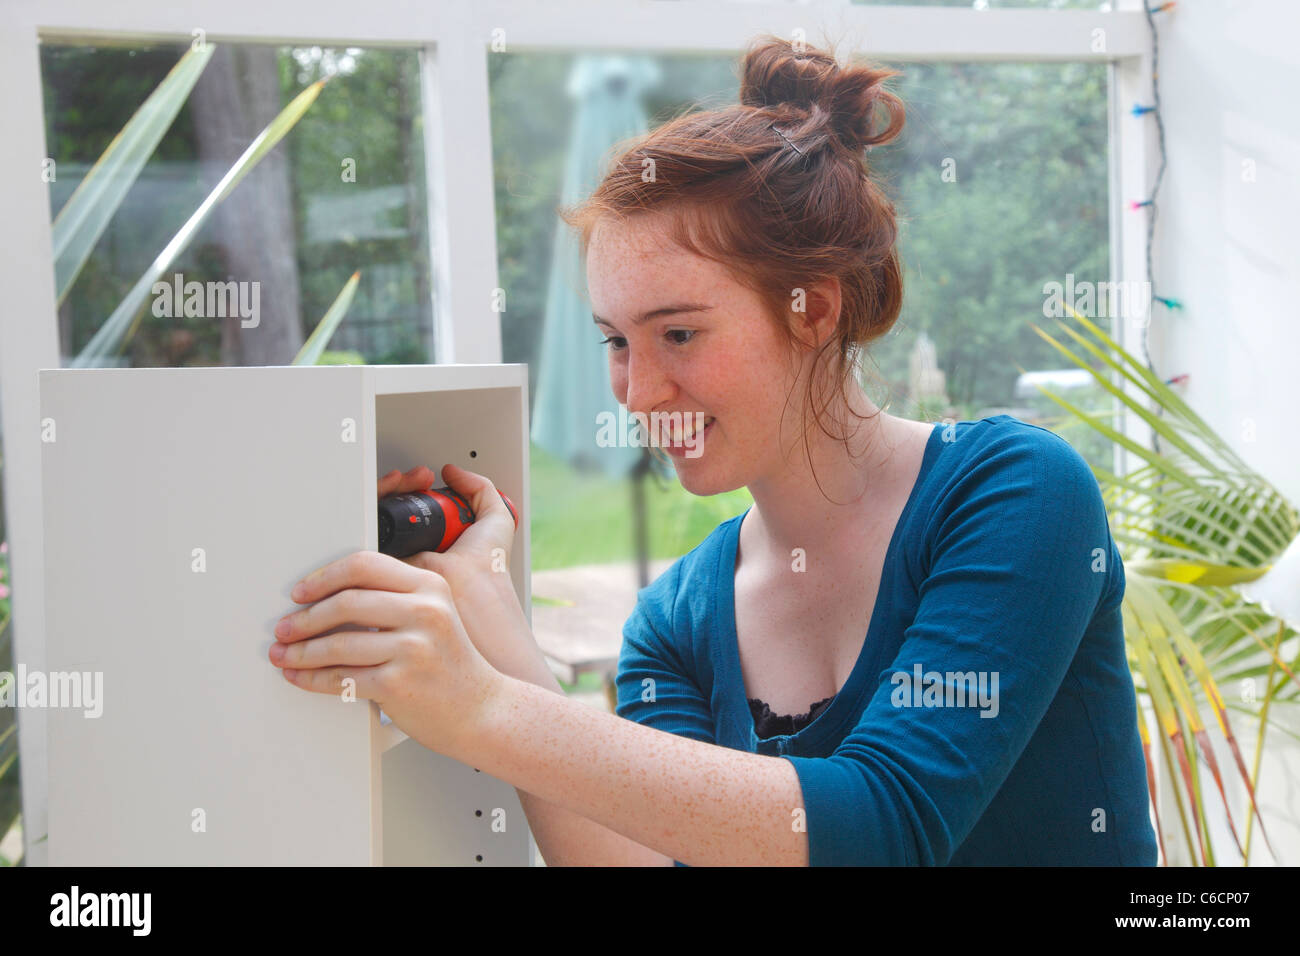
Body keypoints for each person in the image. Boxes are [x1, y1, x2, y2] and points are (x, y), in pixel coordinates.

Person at [268, 34, 1158, 866]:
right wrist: (485, 602)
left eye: (681, 334)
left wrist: (481, 709)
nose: (640, 390)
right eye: (616, 341)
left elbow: (888, 822)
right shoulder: (679, 619)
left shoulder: (1015, 493)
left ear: (815, 309)